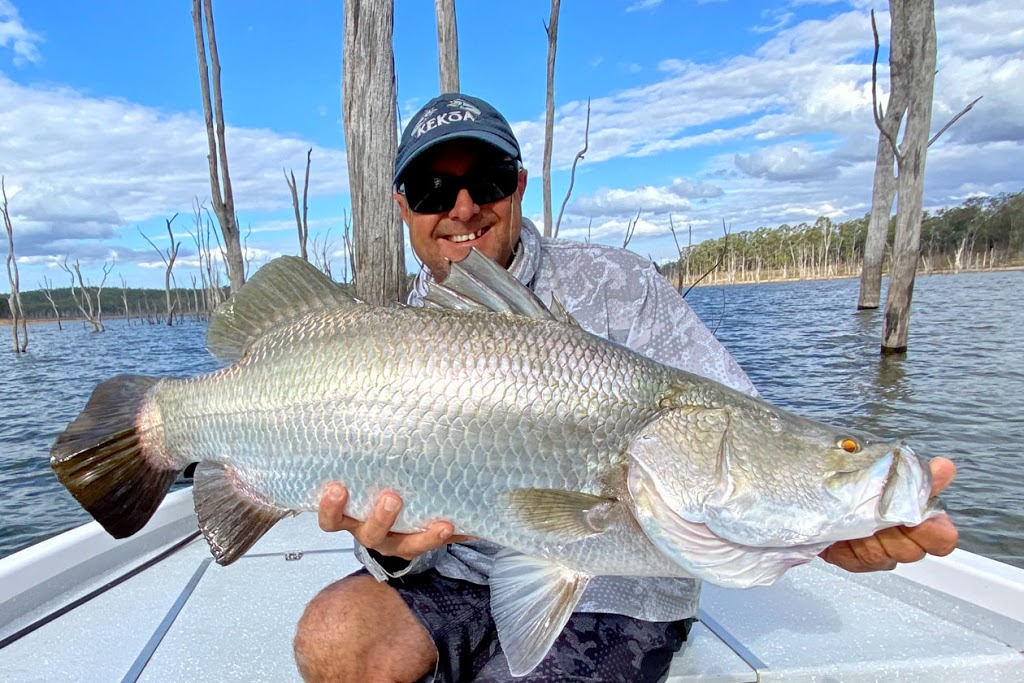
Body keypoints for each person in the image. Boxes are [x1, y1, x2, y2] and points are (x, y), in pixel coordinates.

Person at [292, 93, 959, 683]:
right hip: (461, 575)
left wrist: (816, 525)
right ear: (403, 206)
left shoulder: (624, 286)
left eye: (488, 180)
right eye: (434, 187)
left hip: (617, 590)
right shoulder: (386, 339)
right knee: (332, 637)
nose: (463, 206)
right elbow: (376, 509)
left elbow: (742, 423)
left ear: (520, 185)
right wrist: (385, 547)